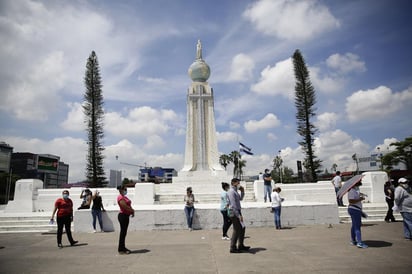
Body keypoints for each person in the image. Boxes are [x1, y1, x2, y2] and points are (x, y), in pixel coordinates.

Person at [227, 178, 250, 253]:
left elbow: (240, 198)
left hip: (237, 211)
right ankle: (233, 247)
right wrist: (238, 215)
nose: (239, 184)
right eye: (238, 183)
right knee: (236, 229)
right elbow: (233, 205)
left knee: (242, 228)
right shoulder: (231, 192)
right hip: (234, 212)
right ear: (233, 183)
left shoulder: (235, 191)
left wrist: (242, 191)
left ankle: (241, 245)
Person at [347, 179, 368, 248]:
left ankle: (353, 240)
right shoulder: (351, 191)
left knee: (354, 226)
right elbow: (351, 201)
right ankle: (359, 242)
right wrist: (360, 199)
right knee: (357, 227)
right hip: (354, 209)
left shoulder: (355, 191)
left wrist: (361, 195)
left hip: (356, 209)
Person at [117, 185, 135, 254]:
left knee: (124, 233)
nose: (126, 190)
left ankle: (123, 247)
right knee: (123, 233)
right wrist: (132, 210)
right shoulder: (120, 197)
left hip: (126, 216)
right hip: (123, 216)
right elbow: (124, 206)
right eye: (125, 189)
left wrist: (131, 211)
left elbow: (128, 205)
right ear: (121, 190)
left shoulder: (124, 197)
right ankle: (121, 249)